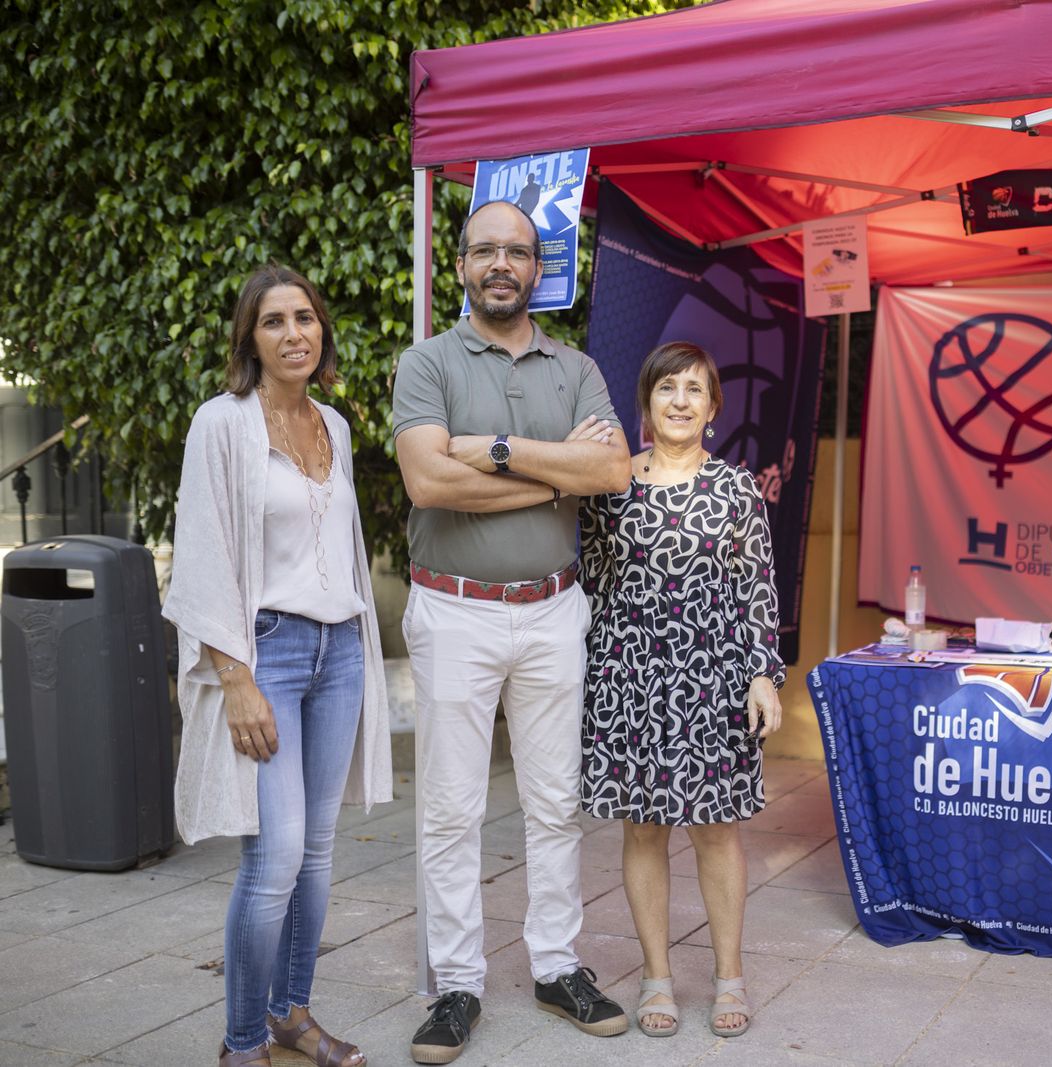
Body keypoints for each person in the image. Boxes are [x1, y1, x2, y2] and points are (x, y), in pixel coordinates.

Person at [392, 200, 633, 1063]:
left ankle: (557, 966)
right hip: (453, 609)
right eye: (485, 249)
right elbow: (429, 483)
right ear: (461, 264)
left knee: (555, 802)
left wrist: (491, 448)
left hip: (553, 608)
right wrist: (556, 472)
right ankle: (457, 983)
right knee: (451, 808)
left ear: (539, 268)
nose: (502, 263)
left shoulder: (577, 368)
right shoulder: (426, 362)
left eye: (518, 251)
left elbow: (613, 468)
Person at [164, 264, 393, 1067]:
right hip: (269, 653)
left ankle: (291, 1013)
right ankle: (241, 1043)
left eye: (305, 317)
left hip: (340, 653)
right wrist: (236, 679)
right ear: (250, 339)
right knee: (275, 855)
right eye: (274, 321)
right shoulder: (221, 423)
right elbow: (202, 557)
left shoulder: (335, 423)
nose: (294, 333)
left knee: (318, 850)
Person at [579, 341, 784, 1039]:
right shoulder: (612, 484)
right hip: (629, 676)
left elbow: (757, 587)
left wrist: (763, 674)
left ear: (713, 407)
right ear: (646, 401)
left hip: (713, 679)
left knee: (716, 829)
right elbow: (592, 579)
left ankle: (729, 976)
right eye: (667, 387)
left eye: (695, 389)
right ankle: (657, 977)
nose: (680, 400)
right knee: (643, 827)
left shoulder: (735, 489)